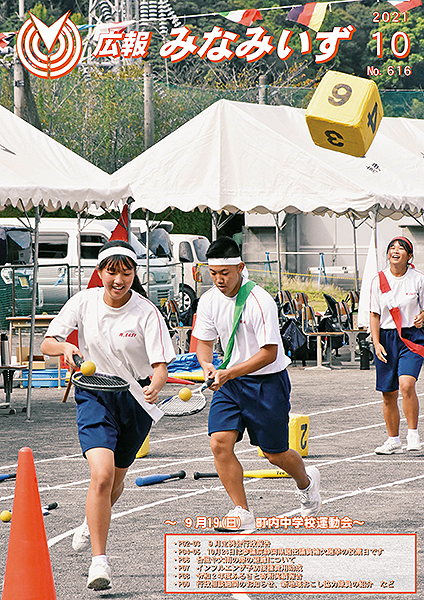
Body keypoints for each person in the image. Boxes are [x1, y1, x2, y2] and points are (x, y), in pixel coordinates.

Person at [40, 240, 175, 590]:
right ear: (100, 273)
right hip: (94, 395)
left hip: (135, 402)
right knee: (100, 477)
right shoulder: (84, 302)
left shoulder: (146, 312)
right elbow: (47, 343)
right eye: (111, 271)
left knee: (114, 483)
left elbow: (160, 366)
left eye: (126, 272)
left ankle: (91, 520)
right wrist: (66, 345)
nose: (118, 279)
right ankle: (99, 563)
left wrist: (156, 387)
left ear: (134, 274)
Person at [193, 236, 321, 531]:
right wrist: (208, 365)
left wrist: (229, 372)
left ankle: (306, 481)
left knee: (275, 453)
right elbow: (203, 342)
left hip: (267, 383)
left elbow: (270, 353)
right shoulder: (210, 299)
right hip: (230, 383)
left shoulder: (260, 300)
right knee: (219, 443)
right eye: (212, 274)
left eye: (224, 273)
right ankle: (242, 512)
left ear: (240, 267)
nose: (218, 280)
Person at [370, 236, 424, 455]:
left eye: (401, 248)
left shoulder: (418, 279)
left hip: (411, 338)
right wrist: (376, 343)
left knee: (406, 385)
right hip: (385, 337)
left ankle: (413, 434)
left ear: (409, 256)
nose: (396, 250)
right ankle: (393, 440)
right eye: (392, 247)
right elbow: (374, 314)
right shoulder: (378, 280)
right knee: (388, 393)